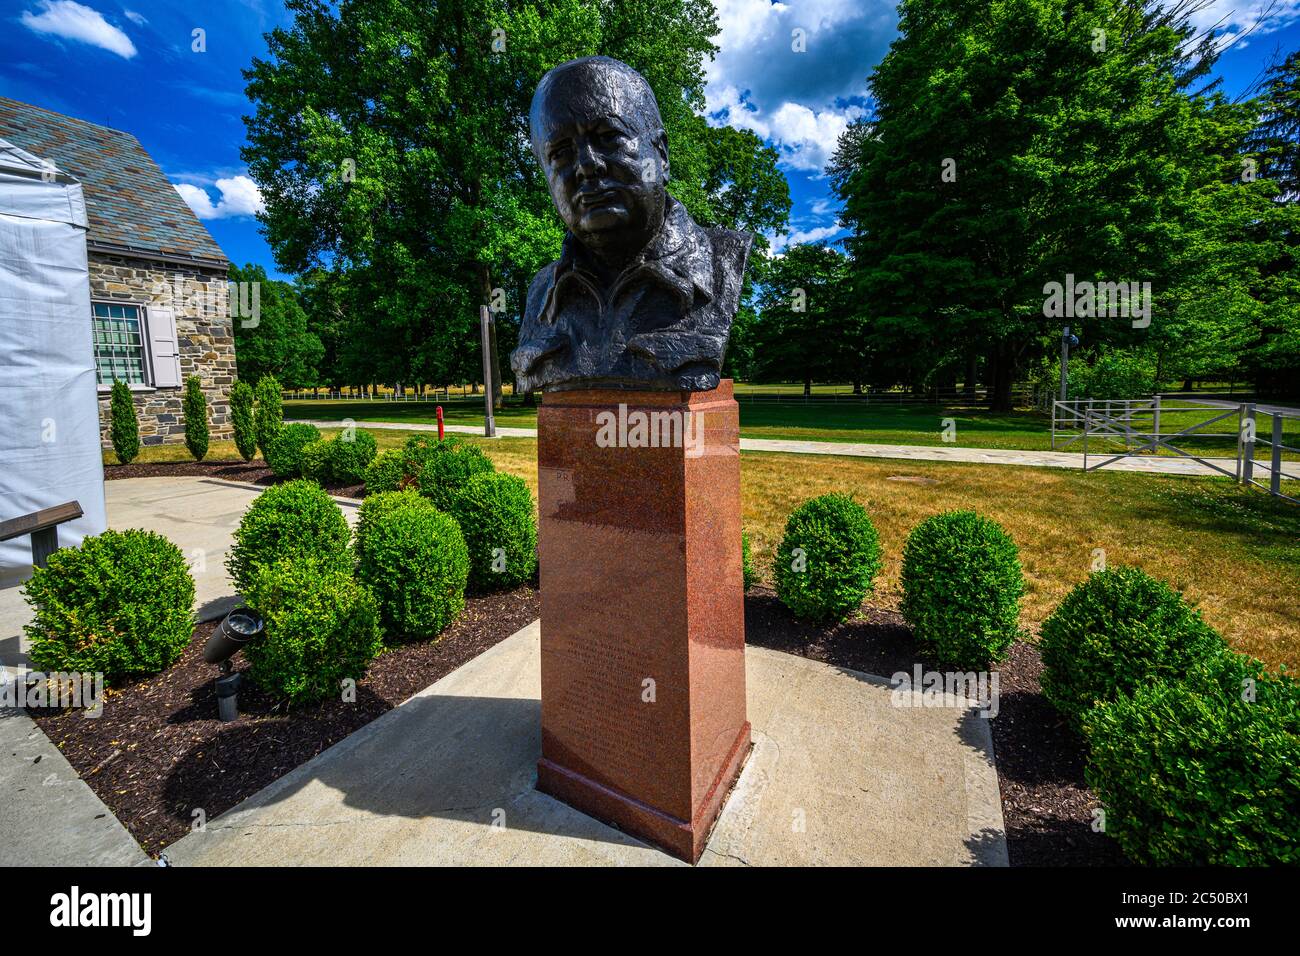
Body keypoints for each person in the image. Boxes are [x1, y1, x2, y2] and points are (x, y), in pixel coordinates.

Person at [511, 56, 752, 393]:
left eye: (609, 136)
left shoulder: (721, 263)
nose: (586, 165)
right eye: (560, 153)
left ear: (661, 156)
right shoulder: (542, 294)